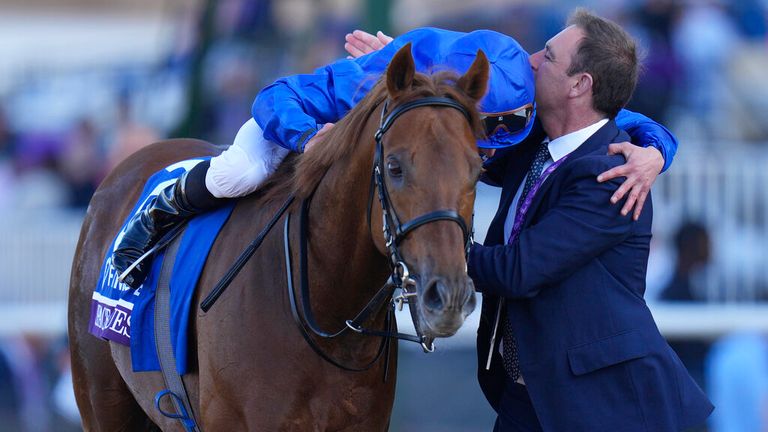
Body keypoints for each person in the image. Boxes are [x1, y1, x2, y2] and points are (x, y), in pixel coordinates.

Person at [113, 26, 676, 290]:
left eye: (546, 56)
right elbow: (273, 96)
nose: (535, 59)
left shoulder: (523, 105)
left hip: (388, 143)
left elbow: (628, 122)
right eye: (539, 51)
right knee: (241, 174)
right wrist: (312, 137)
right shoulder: (370, 85)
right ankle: (161, 209)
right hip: (295, 125)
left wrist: (657, 154)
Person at [466, 10, 713, 431]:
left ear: (580, 85)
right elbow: (459, 151)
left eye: (548, 56)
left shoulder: (610, 173)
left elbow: (517, 271)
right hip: (534, 397)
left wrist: (430, 248)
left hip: (605, 407)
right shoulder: (537, 143)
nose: (531, 61)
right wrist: (405, 78)